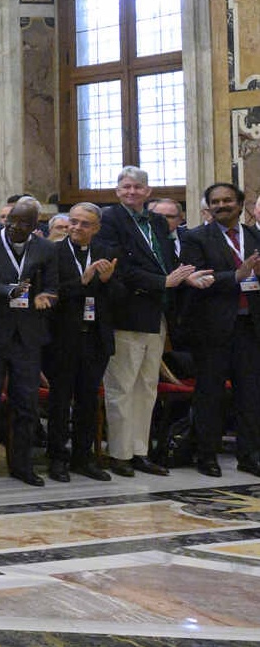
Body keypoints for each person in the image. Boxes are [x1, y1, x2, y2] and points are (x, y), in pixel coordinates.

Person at [96, 167, 195, 477]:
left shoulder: (156, 221)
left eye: (138, 187)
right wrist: (162, 282)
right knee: (122, 386)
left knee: (147, 387)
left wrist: (186, 277)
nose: (132, 191)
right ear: (117, 191)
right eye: (126, 186)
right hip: (126, 312)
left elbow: (167, 261)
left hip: (157, 313)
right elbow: (119, 267)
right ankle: (119, 454)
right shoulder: (109, 220)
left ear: (148, 191)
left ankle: (140, 451)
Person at [0, 198, 59, 487]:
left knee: (26, 404)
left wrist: (46, 297)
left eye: (24, 223)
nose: (16, 227)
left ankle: (22, 466)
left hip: (27, 336)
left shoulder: (46, 249)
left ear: (35, 226)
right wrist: (11, 290)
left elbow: (52, 286)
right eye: (12, 221)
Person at [179, 182, 260, 476]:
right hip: (212, 328)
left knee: (250, 394)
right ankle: (206, 456)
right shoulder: (196, 238)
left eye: (227, 200)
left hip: (249, 326)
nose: (221, 205)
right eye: (215, 202)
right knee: (210, 394)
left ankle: (249, 455)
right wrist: (236, 275)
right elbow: (197, 279)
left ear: (240, 204)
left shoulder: (254, 235)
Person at [48, 202, 116, 482]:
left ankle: (83, 458)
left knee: (88, 400)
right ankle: (57, 458)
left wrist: (108, 281)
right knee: (60, 400)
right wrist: (83, 281)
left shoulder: (107, 252)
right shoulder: (53, 252)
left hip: (95, 337)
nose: (76, 227)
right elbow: (51, 294)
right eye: (73, 221)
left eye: (84, 224)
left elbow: (121, 295)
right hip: (62, 338)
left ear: (96, 228)